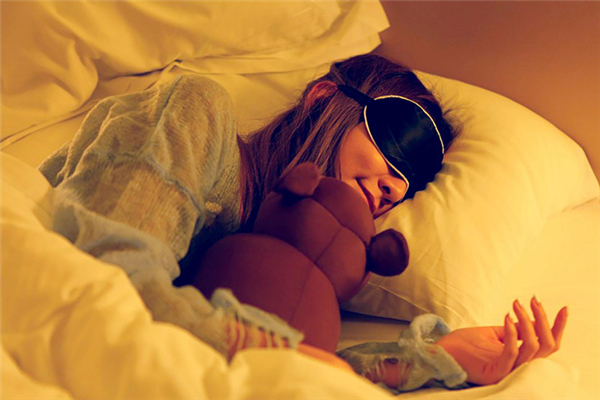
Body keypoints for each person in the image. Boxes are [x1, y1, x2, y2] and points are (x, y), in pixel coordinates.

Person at [39, 54, 567, 392]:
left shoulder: (290, 266)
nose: (395, 186)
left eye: (413, 179)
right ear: (322, 98)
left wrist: (435, 357)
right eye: (394, 142)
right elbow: (108, 281)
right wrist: (289, 356)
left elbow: (296, 373)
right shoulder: (198, 111)